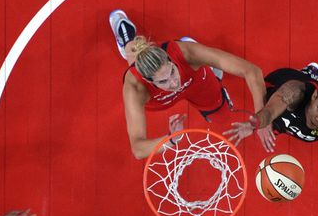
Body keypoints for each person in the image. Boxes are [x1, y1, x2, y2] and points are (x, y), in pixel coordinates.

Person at [109, 9, 268, 160]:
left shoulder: (185, 53)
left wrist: (263, 118)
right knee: (136, 60)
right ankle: (128, 40)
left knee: (222, 115)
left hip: (193, 80)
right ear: (149, 81)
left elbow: (252, 71)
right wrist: (170, 139)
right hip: (158, 99)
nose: (173, 82)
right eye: (163, 81)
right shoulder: (136, 89)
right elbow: (138, 149)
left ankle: (206, 66)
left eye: (171, 72)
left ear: (170, 60)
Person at [225, 51, 318, 201]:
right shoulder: (296, 92)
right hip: (281, 84)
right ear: (314, 96)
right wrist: (255, 124)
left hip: (292, 119)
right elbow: (270, 112)